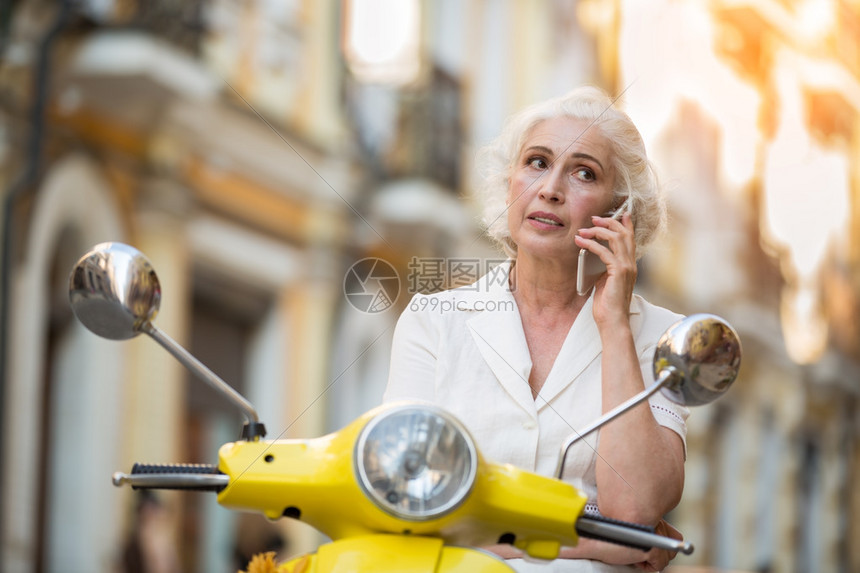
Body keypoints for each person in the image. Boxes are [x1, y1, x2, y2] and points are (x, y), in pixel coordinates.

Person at [383, 86, 688, 572]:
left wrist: (614, 328)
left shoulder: (664, 337)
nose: (550, 188)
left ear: (619, 212)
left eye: (584, 172)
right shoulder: (433, 320)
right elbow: (403, 502)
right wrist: (597, 543)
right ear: (510, 185)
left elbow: (634, 507)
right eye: (537, 162)